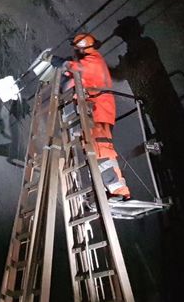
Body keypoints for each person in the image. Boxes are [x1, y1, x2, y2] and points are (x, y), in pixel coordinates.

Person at [52, 33, 131, 200]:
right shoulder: (88, 62)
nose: (76, 52)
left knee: (102, 151)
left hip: (100, 112)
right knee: (93, 152)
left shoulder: (94, 60)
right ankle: (106, 191)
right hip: (92, 114)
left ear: (82, 48)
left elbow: (80, 70)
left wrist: (64, 63)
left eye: (77, 49)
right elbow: (73, 82)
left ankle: (120, 192)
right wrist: (65, 75)